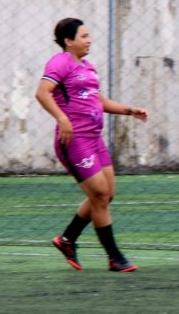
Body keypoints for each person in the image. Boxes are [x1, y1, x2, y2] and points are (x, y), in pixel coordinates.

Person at [35, 17, 148, 272]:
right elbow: (42, 93)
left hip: (94, 139)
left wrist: (130, 110)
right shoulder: (60, 62)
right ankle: (114, 258)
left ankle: (67, 240)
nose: (89, 40)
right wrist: (62, 118)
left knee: (106, 194)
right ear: (68, 41)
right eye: (84, 36)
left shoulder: (87, 67)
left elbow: (100, 102)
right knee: (99, 195)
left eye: (88, 35)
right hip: (74, 141)